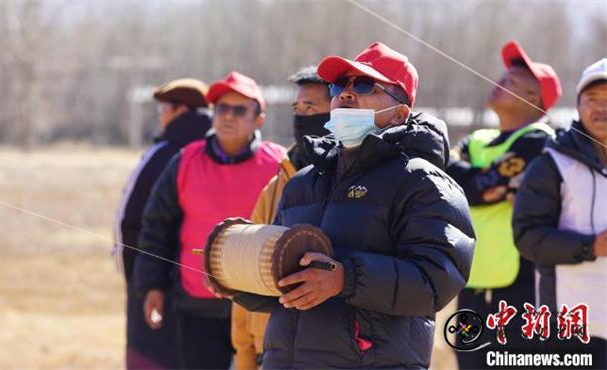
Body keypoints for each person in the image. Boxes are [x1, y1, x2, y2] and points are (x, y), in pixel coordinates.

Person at [228, 41, 475, 369]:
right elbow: (284, 282)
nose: (345, 93)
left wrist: (344, 277)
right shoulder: (303, 182)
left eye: (363, 84)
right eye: (338, 85)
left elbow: (435, 282)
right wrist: (236, 278)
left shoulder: (424, 183)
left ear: (400, 113)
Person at [133, 71, 286, 369]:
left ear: (259, 119)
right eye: (221, 108)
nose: (228, 116)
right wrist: (152, 285)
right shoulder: (185, 160)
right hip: (196, 303)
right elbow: (157, 226)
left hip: (258, 304)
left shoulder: (279, 164)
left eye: (239, 109)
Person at [446, 40, 561, 367]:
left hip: (520, 285)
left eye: (510, 81)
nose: (499, 82)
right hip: (472, 281)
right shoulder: (478, 138)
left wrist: (478, 182)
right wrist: (484, 183)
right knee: (468, 360)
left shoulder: (539, 140)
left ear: (533, 99)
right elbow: (447, 181)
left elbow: (481, 188)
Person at [231, 66, 331, 370]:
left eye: (310, 108)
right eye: (297, 108)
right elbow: (245, 267)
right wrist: (245, 353)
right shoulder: (277, 186)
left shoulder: (351, 188)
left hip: (323, 352)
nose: (301, 117)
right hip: (269, 351)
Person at [513, 58, 607, 368]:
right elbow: (527, 237)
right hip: (571, 329)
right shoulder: (552, 163)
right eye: (591, 99)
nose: (600, 108)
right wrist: (591, 246)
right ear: (578, 106)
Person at [113, 78, 211, 369]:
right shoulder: (216, 150)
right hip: (204, 285)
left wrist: (139, 280)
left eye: (165, 107)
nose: (161, 115)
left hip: (157, 282)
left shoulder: (162, 154)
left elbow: (130, 222)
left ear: (181, 110)